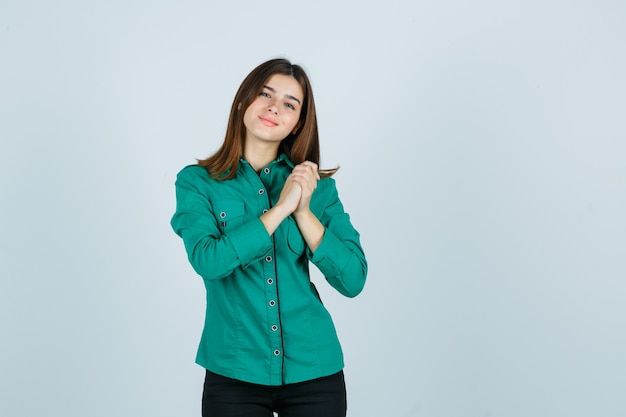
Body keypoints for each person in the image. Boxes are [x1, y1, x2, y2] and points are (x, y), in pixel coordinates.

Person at [170, 58, 367, 417]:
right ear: (244, 101)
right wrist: (280, 209)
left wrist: (304, 211)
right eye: (266, 94)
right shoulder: (197, 183)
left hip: (314, 370)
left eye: (290, 104)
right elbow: (209, 261)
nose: (275, 107)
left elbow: (353, 279)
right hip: (234, 372)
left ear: (297, 124)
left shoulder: (318, 189)